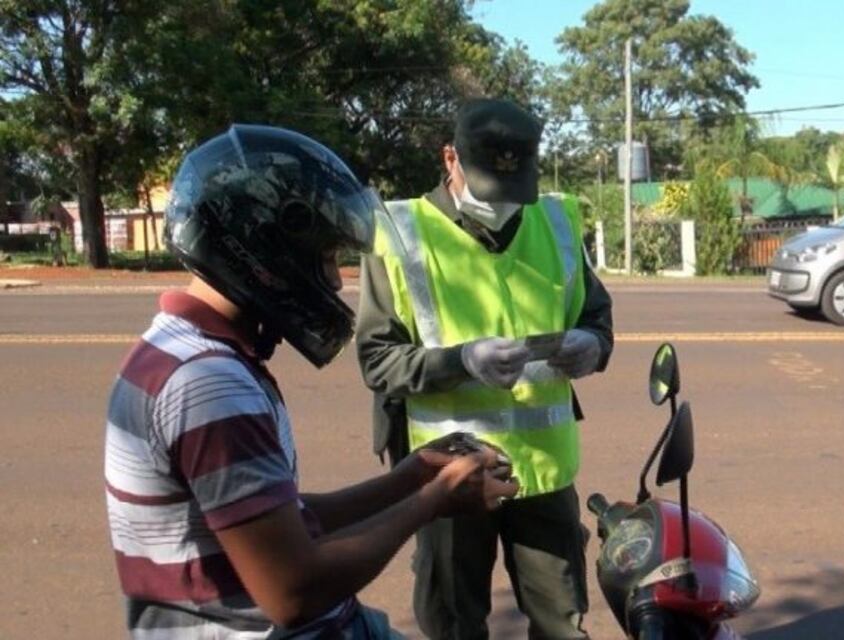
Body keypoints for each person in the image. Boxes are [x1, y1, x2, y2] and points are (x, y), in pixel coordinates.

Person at [103, 124, 518, 639]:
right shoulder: (209, 385)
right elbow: (293, 594)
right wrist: (436, 500)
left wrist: (408, 479)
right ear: (264, 252)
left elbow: (284, 520)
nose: (335, 280)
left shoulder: (175, 350)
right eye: (325, 258)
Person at [356, 98, 614, 639]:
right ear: (449, 158)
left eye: (514, 190)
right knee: (453, 623)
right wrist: (462, 361)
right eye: (488, 188)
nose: (502, 205)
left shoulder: (556, 220)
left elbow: (596, 317)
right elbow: (378, 361)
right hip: (449, 476)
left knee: (562, 623)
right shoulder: (400, 231)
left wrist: (593, 344)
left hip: (544, 471)